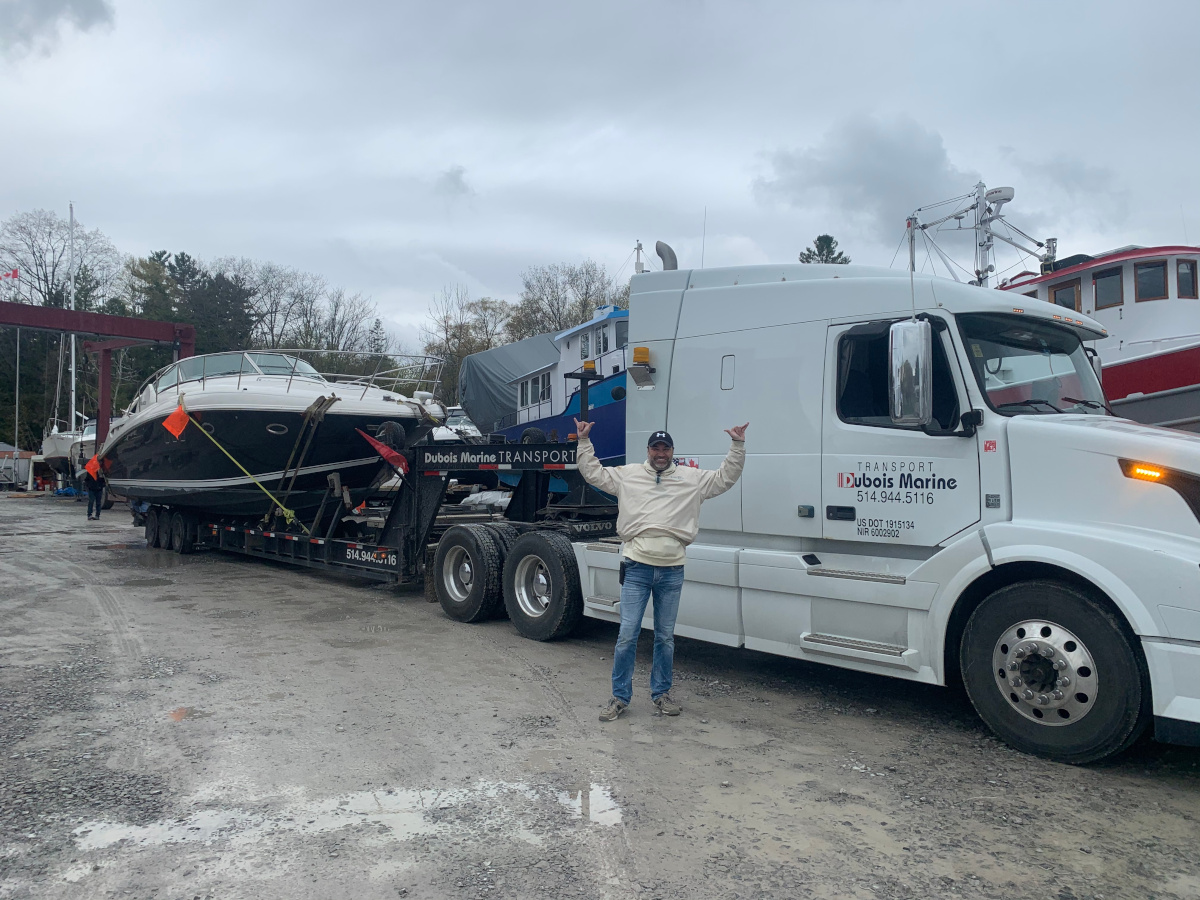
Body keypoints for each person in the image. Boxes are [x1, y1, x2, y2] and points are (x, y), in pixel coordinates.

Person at [574, 418, 748, 721]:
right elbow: (594, 474)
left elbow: (725, 478)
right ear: (649, 450)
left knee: (665, 637)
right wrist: (584, 442)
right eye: (656, 448)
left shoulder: (691, 478)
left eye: (665, 448)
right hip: (636, 566)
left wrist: (737, 446)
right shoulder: (628, 476)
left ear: (672, 451)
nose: (660, 453)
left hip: (671, 570)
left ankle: (661, 695)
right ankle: (619, 698)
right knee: (627, 634)